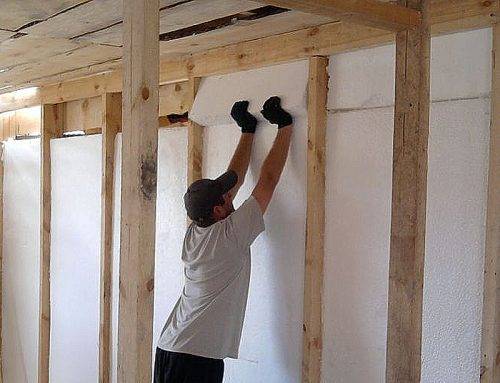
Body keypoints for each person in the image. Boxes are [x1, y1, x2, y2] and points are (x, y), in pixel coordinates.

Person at [154, 96, 293, 383]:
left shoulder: (195, 232)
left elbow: (235, 180)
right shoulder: (231, 236)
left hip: (171, 348)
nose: (232, 194)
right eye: (226, 197)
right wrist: (285, 126)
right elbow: (267, 181)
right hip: (195, 357)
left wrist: (247, 130)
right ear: (218, 209)